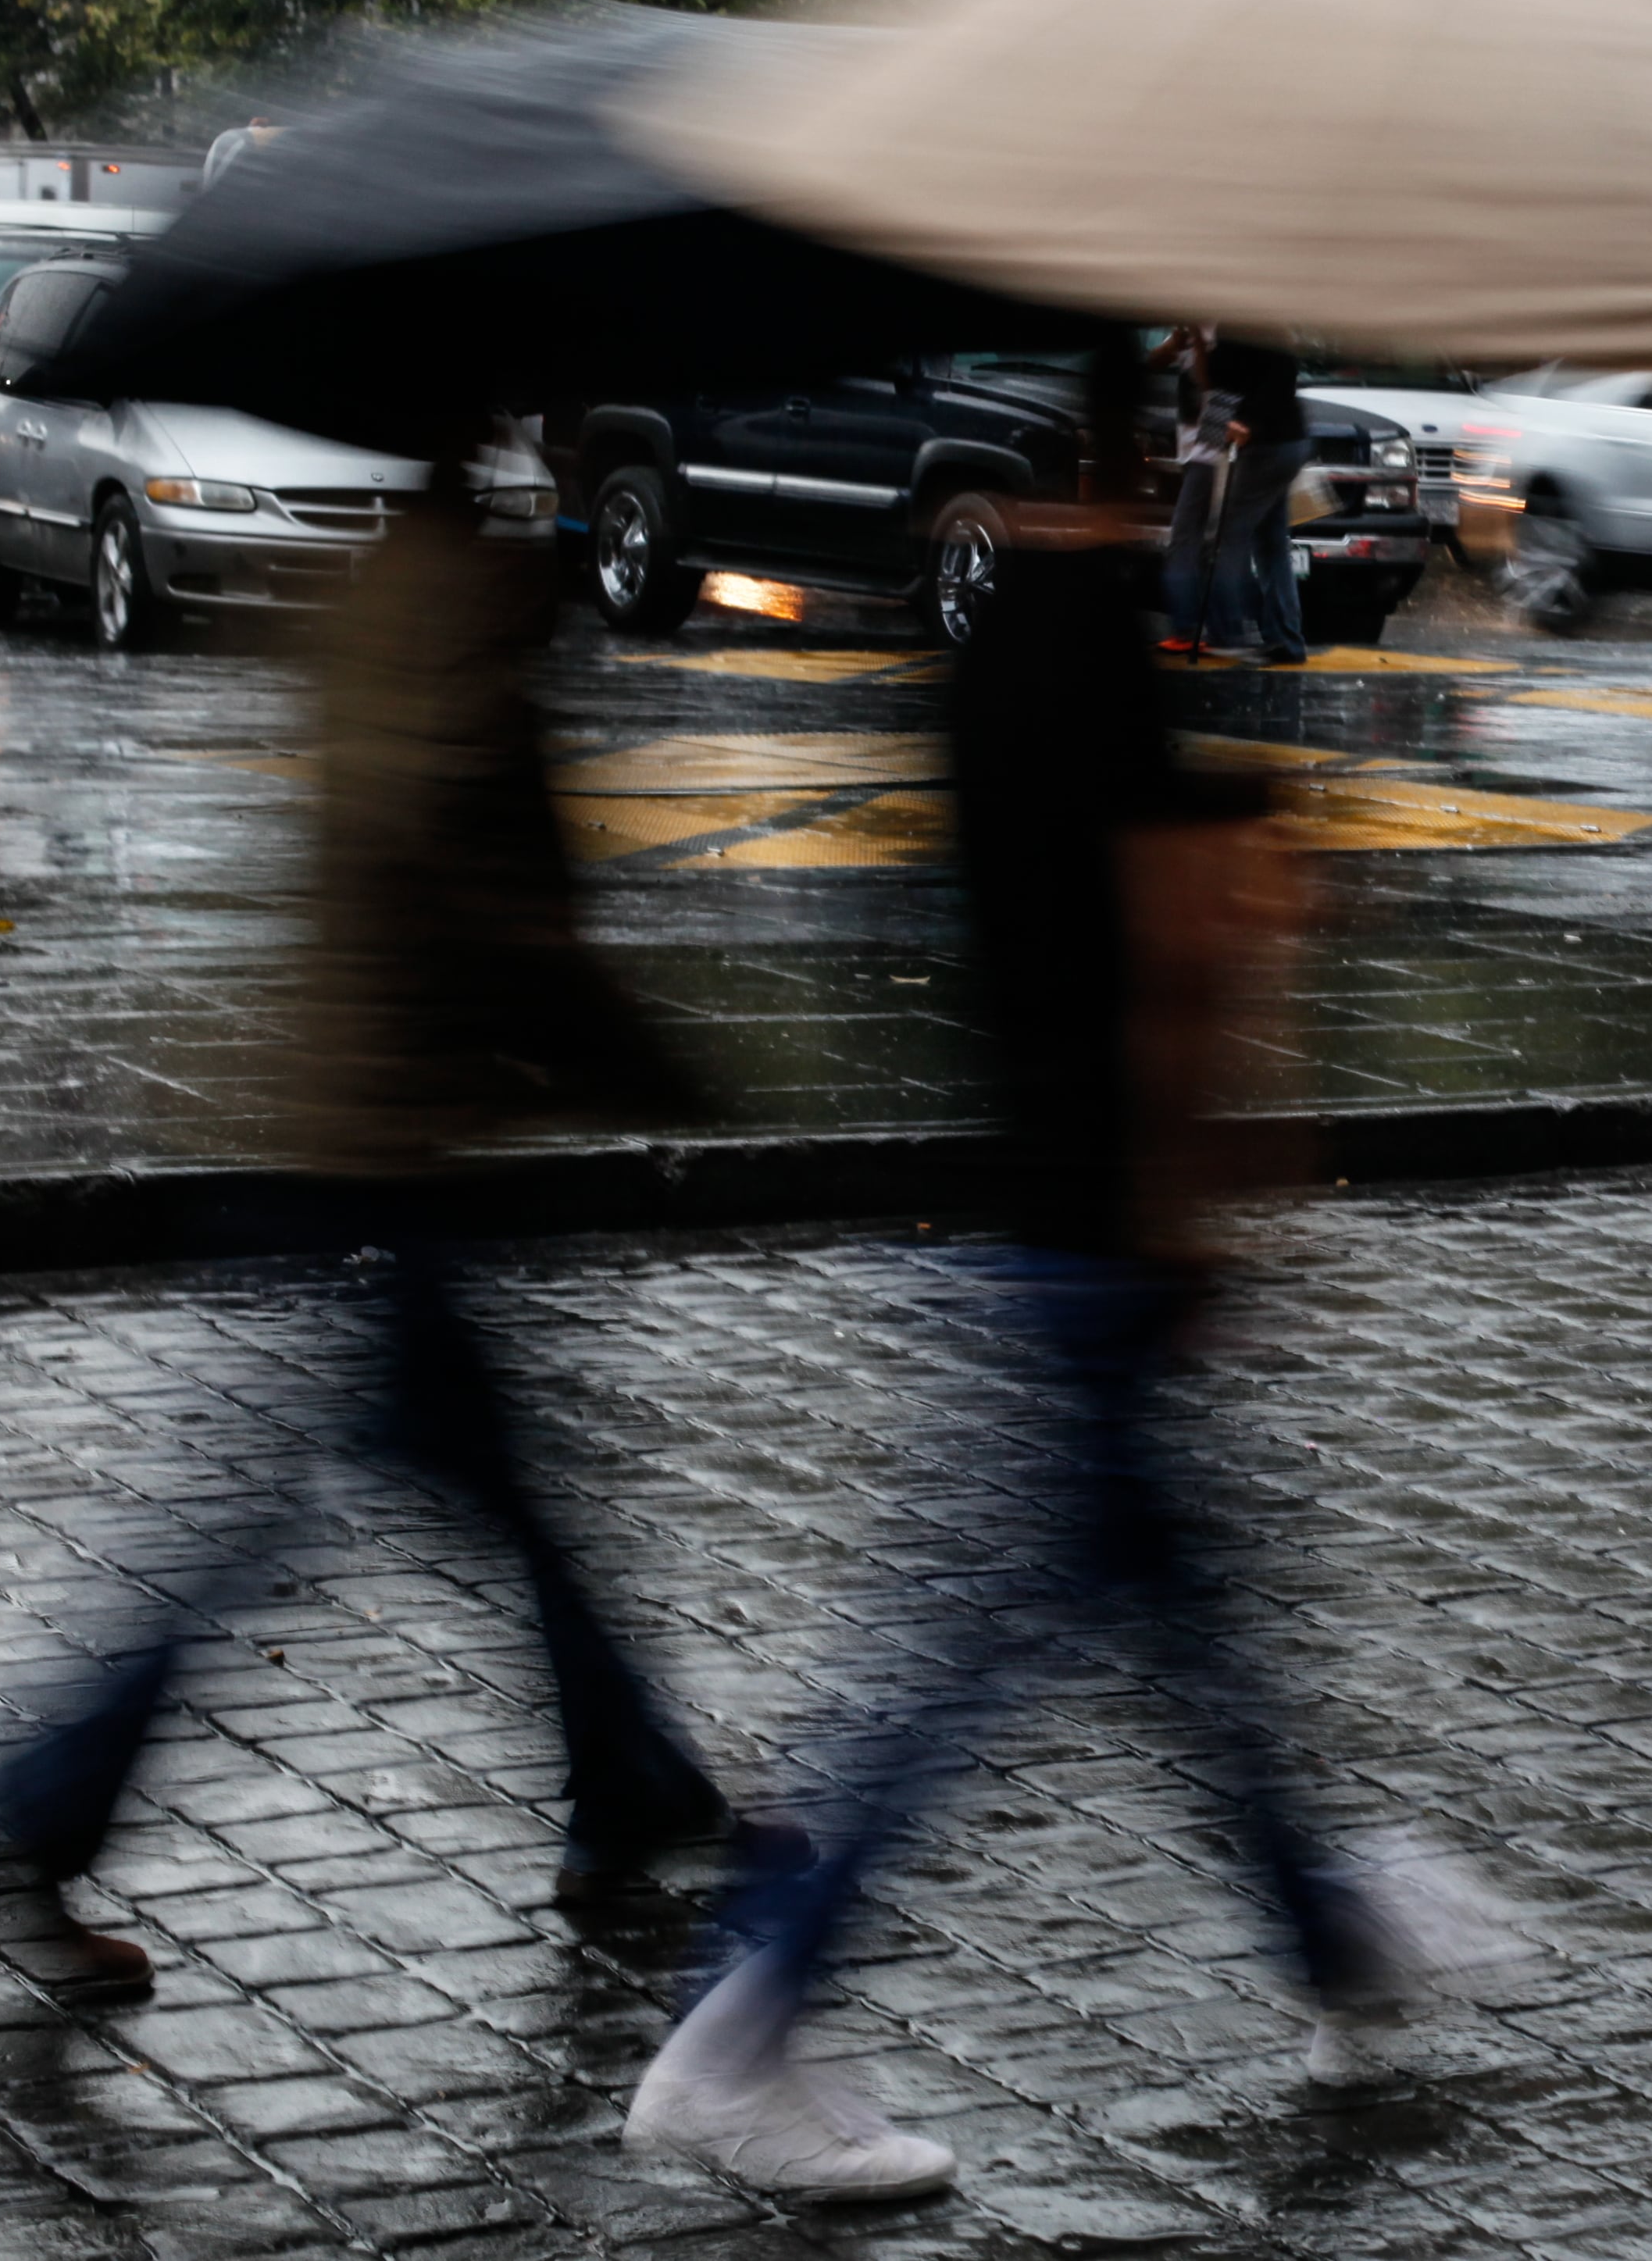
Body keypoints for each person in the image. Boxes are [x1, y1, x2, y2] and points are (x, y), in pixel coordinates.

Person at [623, 344, 1504, 2204]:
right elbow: (1164, 950)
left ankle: (1336, 1938)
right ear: (1139, 449)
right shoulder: (1087, 638)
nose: (1194, 457)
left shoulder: (1000, 629)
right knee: (953, 1675)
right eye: (1174, 434)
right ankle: (736, 2035)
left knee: (1193, 1627)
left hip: (1046, 1217)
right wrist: (1254, 925)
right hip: (1094, 1236)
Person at [0, 437, 753, 2002]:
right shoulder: (447, 618)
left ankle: (632, 1787)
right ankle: (39, 1813)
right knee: (262, 1534)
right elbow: (459, 881)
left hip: (348, 1138)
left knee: (504, 1496)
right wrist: (642, 1052)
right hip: (375, 1162)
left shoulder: (395, 596)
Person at [1198, 327, 1312, 665]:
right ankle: (1285, 639)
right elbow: (1218, 379)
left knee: (1224, 539)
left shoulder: (1250, 321)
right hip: (1282, 441)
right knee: (1271, 542)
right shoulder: (1243, 323)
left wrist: (1248, 420)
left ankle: (1226, 633)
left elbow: (1276, 373)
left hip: (1269, 444)